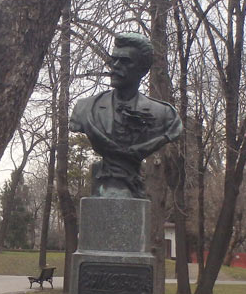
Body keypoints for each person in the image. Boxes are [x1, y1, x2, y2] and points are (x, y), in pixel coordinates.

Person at [70, 32, 182, 198]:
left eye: (125, 61)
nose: (115, 66)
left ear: (142, 69)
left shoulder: (165, 115)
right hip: (103, 183)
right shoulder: (86, 108)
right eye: (114, 59)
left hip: (133, 188)